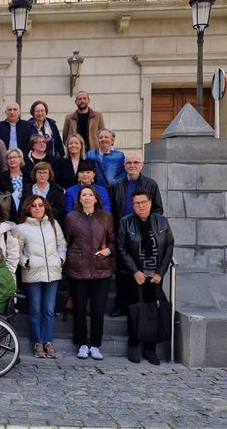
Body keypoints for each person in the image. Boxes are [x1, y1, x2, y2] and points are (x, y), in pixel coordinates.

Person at [117, 189, 174, 365]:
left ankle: (151, 349)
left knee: (153, 311)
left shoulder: (162, 221)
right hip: (134, 275)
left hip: (155, 275)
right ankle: (133, 345)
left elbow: (169, 246)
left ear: (150, 203)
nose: (141, 206)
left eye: (144, 202)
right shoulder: (126, 222)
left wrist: (160, 272)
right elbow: (121, 248)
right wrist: (135, 271)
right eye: (137, 203)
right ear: (132, 206)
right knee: (135, 310)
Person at [64, 185, 115, 361]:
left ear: (95, 198)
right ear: (79, 199)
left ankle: (95, 345)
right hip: (78, 269)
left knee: (98, 309)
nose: (87, 198)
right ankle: (82, 344)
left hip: (101, 269)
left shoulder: (106, 217)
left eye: (90, 195)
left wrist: (109, 250)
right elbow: (67, 241)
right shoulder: (71, 217)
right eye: (83, 195)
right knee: (78, 308)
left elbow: (112, 240)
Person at [109, 153, 163, 317]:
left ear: (142, 165)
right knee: (121, 270)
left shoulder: (150, 184)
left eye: (136, 162)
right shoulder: (117, 185)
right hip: (122, 230)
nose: (132, 165)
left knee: (140, 268)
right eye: (129, 162)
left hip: (143, 232)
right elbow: (111, 210)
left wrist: (148, 224)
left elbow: (158, 209)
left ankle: (140, 305)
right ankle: (121, 304)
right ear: (124, 165)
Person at [18, 195, 67, 359]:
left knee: (49, 309)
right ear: (28, 208)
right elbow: (16, 251)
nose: (38, 208)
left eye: (40, 205)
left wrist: (60, 259)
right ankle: (37, 342)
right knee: (36, 309)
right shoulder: (22, 228)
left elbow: (62, 244)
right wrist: (26, 262)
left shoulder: (53, 224)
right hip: (32, 273)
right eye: (34, 206)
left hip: (52, 272)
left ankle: (48, 341)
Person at [22, 162, 66, 227]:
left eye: (45, 172)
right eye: (39, 172)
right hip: (30, 223)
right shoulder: (27, 188)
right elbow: (23, 206)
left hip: (51, 222)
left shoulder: (57, 189)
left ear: (49, 175)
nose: (42, 175)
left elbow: (60, 208)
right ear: (35, 174)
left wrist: (44, 215)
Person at [0, 148, 32, 219]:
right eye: (9, 158)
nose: (12, 160)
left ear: (20, 159)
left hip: (26, 210)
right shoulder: (2, 177)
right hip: (9, 211)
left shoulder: (28, 176)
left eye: (15, 157)